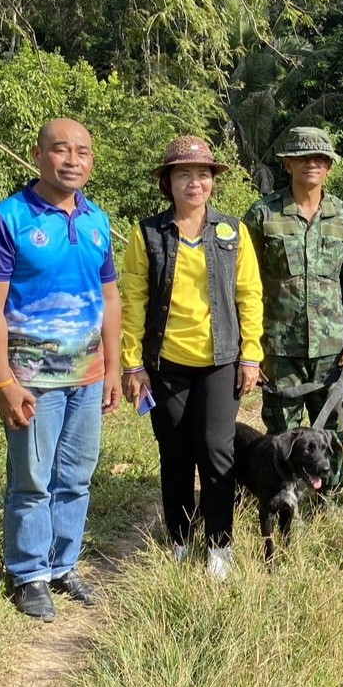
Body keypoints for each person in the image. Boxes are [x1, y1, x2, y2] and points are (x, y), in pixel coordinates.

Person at [0, 118, 122, 622]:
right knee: (32, 480)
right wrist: (2, 381)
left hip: (87, 375)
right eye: (60, 150)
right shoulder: (7, 219)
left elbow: (109, 297)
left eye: (82, 151)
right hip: (31, 378)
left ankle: (63, 564)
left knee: (77, 477)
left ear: (92, 160)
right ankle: (28, 573)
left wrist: (114, 369)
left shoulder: (97, 219)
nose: (72, 160)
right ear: (38, 154)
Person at [121, 136, 264, 581]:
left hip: (221, 360)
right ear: (168, 182)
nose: (194, 182)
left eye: (202, 174)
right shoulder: (148, 234)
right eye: (184, 174)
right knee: (176, 451)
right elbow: (133, 301)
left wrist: (251, 355)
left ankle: (220, 545)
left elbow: (249, 295)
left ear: (212, 183)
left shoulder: (231, 231)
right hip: (166, 363)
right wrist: (132, 363)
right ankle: (180, 540)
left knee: (217, 450)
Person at [243, 127, 343, 492]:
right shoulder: (263, 215)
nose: (311, 164)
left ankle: (329, 501)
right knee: (282, 436)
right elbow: (244, 284)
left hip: (332, 350)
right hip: (279, 349)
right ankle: (282, 500)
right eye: (302, 157)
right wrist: (251, 348)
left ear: (329, 166)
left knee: (332, 431)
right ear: (287, 164)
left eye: (319, 158)